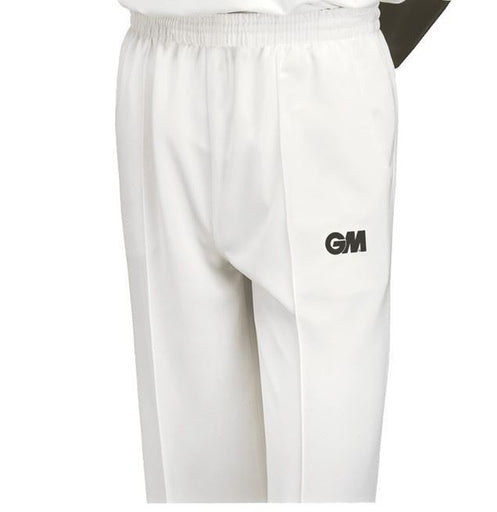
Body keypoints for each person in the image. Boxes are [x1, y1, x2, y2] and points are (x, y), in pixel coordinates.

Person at [115, 0, 449, 503]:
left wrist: (362, 43)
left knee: (326, 473)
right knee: (189, 474)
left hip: (315, 57)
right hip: (163, 56)